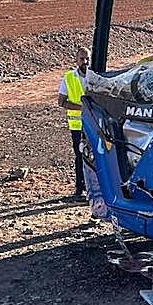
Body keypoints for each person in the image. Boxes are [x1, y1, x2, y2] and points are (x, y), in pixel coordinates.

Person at [57, 46, 89, 199]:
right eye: (82, 59)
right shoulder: (69, 77)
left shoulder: (95, 76)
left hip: (93, 124)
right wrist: (82, 108)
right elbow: (62, 102)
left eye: (87, 58)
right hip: (77, 125)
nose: (85, 62)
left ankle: (92, 188)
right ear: (76, 60)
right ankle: (79, 187)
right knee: (80, 156)